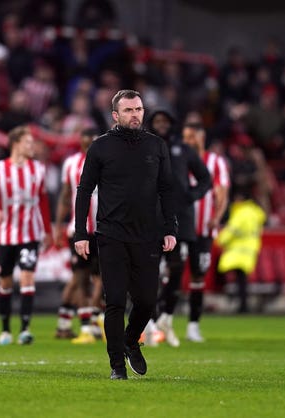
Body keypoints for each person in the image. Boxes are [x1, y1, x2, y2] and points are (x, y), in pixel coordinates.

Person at [74, 89, 178, 380]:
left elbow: (166, 189)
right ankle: (117, 365)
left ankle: (132, 340)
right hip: (111, 235)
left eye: (139, 109)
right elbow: (84, 191)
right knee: (116, 300)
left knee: (146, 302)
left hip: (148, 236)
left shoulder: (156, 146)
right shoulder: (100, 147)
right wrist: (81, 232)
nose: (136, 114)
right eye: (129, 110)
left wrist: (170, 228)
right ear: (116, 115)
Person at [145, 111, 211, 348]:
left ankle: (165, 317)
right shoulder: (142, 147)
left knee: (177, 268)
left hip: (179, 220)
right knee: (148, 271)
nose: (161, 126)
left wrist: (190, 196)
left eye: (165, 122)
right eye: (157, 122)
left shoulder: (184, 150)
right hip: (149, 220)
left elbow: (206, 179)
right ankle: (149, 322)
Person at [0, 125, 53, 345]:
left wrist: (48, 230)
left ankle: (25, 329)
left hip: (30, 234)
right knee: (5, 281)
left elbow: (43, 201)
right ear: (15, 144)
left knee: (27, 276)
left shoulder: (38, 169)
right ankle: (5, 330)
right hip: (5, 235)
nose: (32, 146)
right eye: (28, 142)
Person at [53, 127, 104, 343]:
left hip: (103, 230)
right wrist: (57, 226)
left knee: (103, 277)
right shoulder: (71, 163)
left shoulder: (108, 161)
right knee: (80, 277)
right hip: (78, 229)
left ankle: (82, 321)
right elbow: (65, 196)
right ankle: (87, 326)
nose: (89, 142)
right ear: (80, 141)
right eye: (86, 138)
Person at [182, 121, 230, 342]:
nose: (188, 141)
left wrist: (217, 218)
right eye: (186, 137)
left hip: (203, 230)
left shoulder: (215, 162)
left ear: (202, 138)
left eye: (192, 137)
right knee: (167, 274)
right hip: (179, 228)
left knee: (198, 276)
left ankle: (193, 325)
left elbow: (221, 193)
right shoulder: (177, 159)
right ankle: (159, 320)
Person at [216, 188, 266, 313]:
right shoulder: (255, 213)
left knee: (232, 275)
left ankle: (240, 305)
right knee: (242, 280)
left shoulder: (241, 213)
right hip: (250, 250)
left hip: (238, 251)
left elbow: (232, 230)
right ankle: (243, 304)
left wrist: (219, 240)